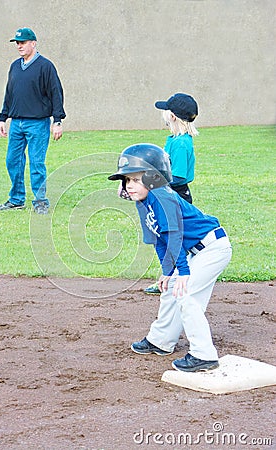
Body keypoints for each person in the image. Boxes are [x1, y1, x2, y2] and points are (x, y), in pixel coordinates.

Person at [108, 143, 232, 372]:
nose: (129, 186)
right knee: (170, 288)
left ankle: (204, 355)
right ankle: (161, 340)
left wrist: (182, 271)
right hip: (195, 250)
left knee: (187, 295)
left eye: (136, 180)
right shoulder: (145, 202)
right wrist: (168, 271)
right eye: (126, 180)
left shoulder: (163, 198)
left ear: (153, 179)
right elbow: (159, 240)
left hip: (212, 248)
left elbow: (175, 236)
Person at [0, 27, 66, 214]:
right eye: (17, 43)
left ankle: (40, 201)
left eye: (23, 42)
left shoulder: (45, 66)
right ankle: (16, 199)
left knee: (36, 163)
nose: (19, 46)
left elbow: (56, 94)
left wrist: (57, 120)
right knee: (13, 161)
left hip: (38, 123)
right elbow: (9, 94)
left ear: (33, 43)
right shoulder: (14, 66)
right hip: (17, 123)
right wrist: (3, 118)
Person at [144, 92, 198, 294]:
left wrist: (151, 181)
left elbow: (179, 176)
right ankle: (170, 278)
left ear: (173, 116)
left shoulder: (181, 143)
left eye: (166, 111)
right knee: (166, 237)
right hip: (167, 194)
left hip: (176, 195)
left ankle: (176, 279)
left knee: (173, 238)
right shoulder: (174, 139)